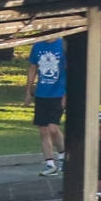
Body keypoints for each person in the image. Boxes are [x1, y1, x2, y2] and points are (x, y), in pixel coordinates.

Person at [30, 36, 70, 173]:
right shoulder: (37, 46)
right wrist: (28, 89)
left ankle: (64, 156)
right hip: (42, 93)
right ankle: (49, 163)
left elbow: (69, 70)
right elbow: (33, 67)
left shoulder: (62, 45)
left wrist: (66, 94)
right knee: (43, 130)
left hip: (57, 93)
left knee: (53, 128)